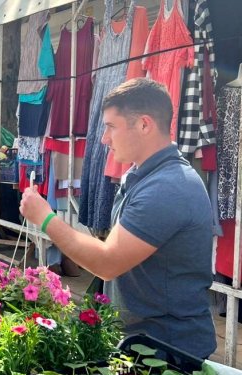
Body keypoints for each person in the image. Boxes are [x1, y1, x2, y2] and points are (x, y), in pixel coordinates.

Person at [20, 78, 216, 359]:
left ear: (144, 125)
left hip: (168, 355)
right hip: (143, 345)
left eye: (111, 126)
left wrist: (46, 217)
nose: (104, 138)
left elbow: (107, 262)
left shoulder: (169, 186)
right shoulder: (143, 176)